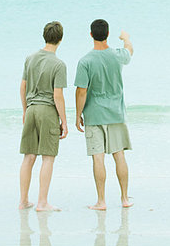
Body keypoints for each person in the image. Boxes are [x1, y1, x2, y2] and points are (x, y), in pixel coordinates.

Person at [74, 19, 134, 210]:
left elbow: (81, 91)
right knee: (119, 156)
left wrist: (77, 115)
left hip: (94, 114)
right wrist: (125, 38)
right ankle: (124, 199)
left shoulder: (85, 61)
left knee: (98, 158)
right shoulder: (117, 55)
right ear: (107, 34)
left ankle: (101, 201)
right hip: (116, 114)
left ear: (91, 35)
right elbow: (129, 51)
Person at [19, 21, 68, 212]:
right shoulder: (58, 64)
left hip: (31, 109)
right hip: (47, 111)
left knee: (28, 157)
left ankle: (23, 201)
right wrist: (64, 120)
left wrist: (25, 110)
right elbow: (58, 95)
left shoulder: (30, 58)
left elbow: (22, 87)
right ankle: (42, 202)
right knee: (48, 157)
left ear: (44, 36)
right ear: (60, 39)